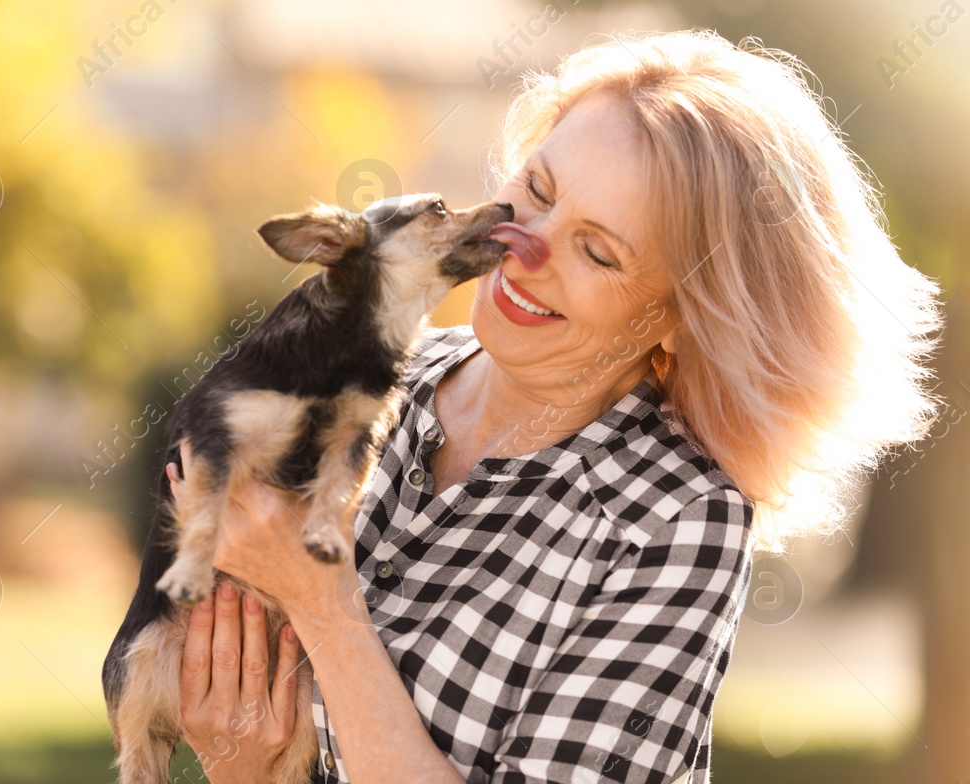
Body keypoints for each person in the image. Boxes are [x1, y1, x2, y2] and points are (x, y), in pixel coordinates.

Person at [169, 29, 943, 784]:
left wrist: (324, 609)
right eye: (536, 189)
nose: (527, 246)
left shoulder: (677, 519)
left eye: (598, 251)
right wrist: (239, 765)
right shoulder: (379, 388)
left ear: (682, 315)